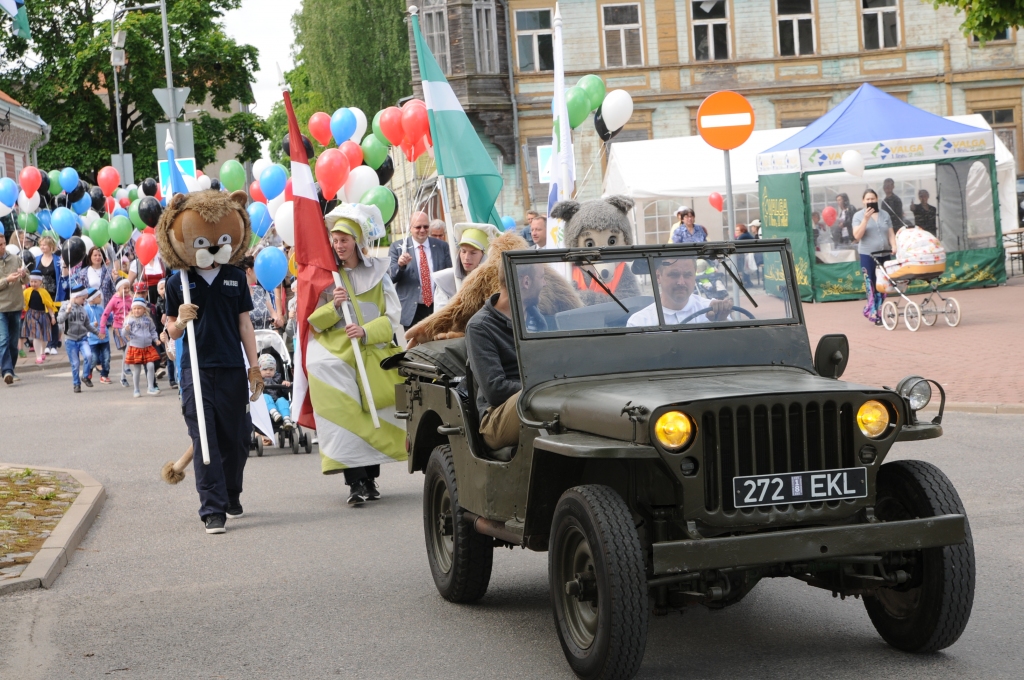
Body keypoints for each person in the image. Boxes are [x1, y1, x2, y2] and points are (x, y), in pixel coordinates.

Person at [307, 204, 405, 505]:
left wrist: (366, 332)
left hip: (371, 354)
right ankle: (355, 483)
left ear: (356, 241)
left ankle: (370, 479)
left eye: (344, 240)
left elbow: (393, 316)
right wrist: (333, 305)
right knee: (347, 416)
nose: (339, 245)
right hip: (339, 355)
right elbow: (313, 322)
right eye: (335, 240)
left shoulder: (379, 272)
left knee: (373, 414)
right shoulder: (327, 276)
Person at [164, 238, 261, 535]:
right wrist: (180, 320)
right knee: (204, 437)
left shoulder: (234, 276)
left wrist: (254, 367)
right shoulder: (177, 280)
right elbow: (171, 331)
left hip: (232, 366)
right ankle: (212, 509)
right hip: (196, 369)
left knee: (239, 438)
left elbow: (245, 324)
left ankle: (231, 494)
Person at [464, 261, 545, 451]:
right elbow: (495, 390)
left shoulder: (538, 319)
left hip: (538, 399)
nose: (545, 284)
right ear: (526, 282)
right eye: (542, 277)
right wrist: (542, 389)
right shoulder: (480, 327)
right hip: (496, 416)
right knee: (548, 404)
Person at [388, 210, 452, 328]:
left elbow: (450, 274)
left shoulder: (441, 246)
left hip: (438, 306)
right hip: (412, 309)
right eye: (418, 227)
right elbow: (390, 277)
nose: (422, 230)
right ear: (410, 228)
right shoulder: (398, 247)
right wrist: (400, 266)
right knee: (414, 345)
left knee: (437, 343)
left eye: (425, 226)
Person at [627, 258, 732, 327]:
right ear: (658, 276)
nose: (681, 282)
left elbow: (736, 351)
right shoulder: (639, 323)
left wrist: (722, 322)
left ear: (694, 276)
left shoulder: (714, 311)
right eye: (674, 274)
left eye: (687, 275)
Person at [853, 189, 897, 326]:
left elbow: (890, 233)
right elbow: (857, 236)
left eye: (873, 199)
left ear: (877, 199)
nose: (870, 201)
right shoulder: (858, 216)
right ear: (863, 201)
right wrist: (865, 220)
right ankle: (874, 313)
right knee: (871, 284)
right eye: (868, 199)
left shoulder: (884, 215)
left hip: (884, 254)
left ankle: (880, 311)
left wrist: (894, 245)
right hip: (868, 255)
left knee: (884, 284)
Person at [432, 223, 498, 312]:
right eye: (463, 251)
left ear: (483, 256)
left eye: (473, 253)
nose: (466, 258)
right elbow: (440, 317)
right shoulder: (445, 281)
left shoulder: (494, 282)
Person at [58, 284, 100, 393]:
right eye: (83, 299)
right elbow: (59, 320)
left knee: (89, 355)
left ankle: (85, 376)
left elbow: (87, 324)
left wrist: (97, 333)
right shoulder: (65, 306)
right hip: (70, 339)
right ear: (76, 297)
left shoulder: (83, 309)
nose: (84, 301)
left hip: (82, 338)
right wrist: (67, 312)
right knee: (75, 364)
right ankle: (76, 384)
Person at [0, 232, 28, 384]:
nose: (2, 247)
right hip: (1, 308)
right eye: (0, 245)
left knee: (13, 342)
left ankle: (10, 368)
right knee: (3, 340)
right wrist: (6, 280)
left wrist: (23, 274)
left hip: (16, 305)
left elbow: (26, 279)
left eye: (3, 243)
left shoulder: (15, 259)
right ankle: (7, 371)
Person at [123, 297, 161, 397]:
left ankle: (151, 387)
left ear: (144, 309)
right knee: (137, 370)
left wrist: (156, 339)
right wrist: (126, 330)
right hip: (136, 347)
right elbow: (124, 333)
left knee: (151, 366)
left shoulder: (148, 319)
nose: (136, 310)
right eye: (134, 308)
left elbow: (153, 330)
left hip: (148, 347)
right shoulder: (129, 320)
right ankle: (136, 389)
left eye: (139, 308)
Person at [100, 278, 134, 387]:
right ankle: (127, 367)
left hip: (128, 328)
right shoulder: (114, 299)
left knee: (125, 352)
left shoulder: (130, 298)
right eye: (124, 288)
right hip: (118, 328)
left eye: (128, 288)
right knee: (129, 344)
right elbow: (105, 313)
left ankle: (122, 378)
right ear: (118, 288)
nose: (127, 290)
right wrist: (102, 328)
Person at [34, 235, 64, 354]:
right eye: (41, 245)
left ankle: (53, 345)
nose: (42, 247)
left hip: (54, 294)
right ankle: (47, 343)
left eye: (44, 245)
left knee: (54, 319)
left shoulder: (58, 260)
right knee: (44, 320)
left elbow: (62, 276)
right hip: (40, 294)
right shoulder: (36, 259)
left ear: (51, 246)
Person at [22, 270, 57, 365]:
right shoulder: (26, 292)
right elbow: (22, 302)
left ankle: (42, 351)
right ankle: (38, 356)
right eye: (31, 281)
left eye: (35, 281)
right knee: (36, 335)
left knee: (44, 336)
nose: (33, 283)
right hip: (31, 314)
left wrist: (52, 316)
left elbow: (49, 305)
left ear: (40, 282)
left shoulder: (44, 292)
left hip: (43, 315)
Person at [242, 254, 283, 331]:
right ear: (249, 271)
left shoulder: (259, 290)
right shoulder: (239, 295)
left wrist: (276, 320)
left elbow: (272, 313)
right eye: (256, 269)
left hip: (265, 339)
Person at [258, 353, 293, 432]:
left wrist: (285, 385)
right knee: (265, 396)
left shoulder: (278, 379)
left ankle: (286, 419)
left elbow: (284, 392)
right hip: (264, 406)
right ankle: (274, 413)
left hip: (277, 404)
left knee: (282, 400)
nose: (268, 372)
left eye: (271, 369)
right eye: (265, 369)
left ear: (275, 369)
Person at [84, 288, 112, 385]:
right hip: (92, 339)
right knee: (94, 358)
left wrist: (114, 314)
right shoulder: (86, 309)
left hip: (104, 337)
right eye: (99, 297)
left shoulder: (100, 308)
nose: (101, 298)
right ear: (92, 299)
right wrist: (92, 324)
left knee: (106, 358)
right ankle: (89, 372)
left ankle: (104, 375)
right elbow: (84, 324)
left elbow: (108, 316)